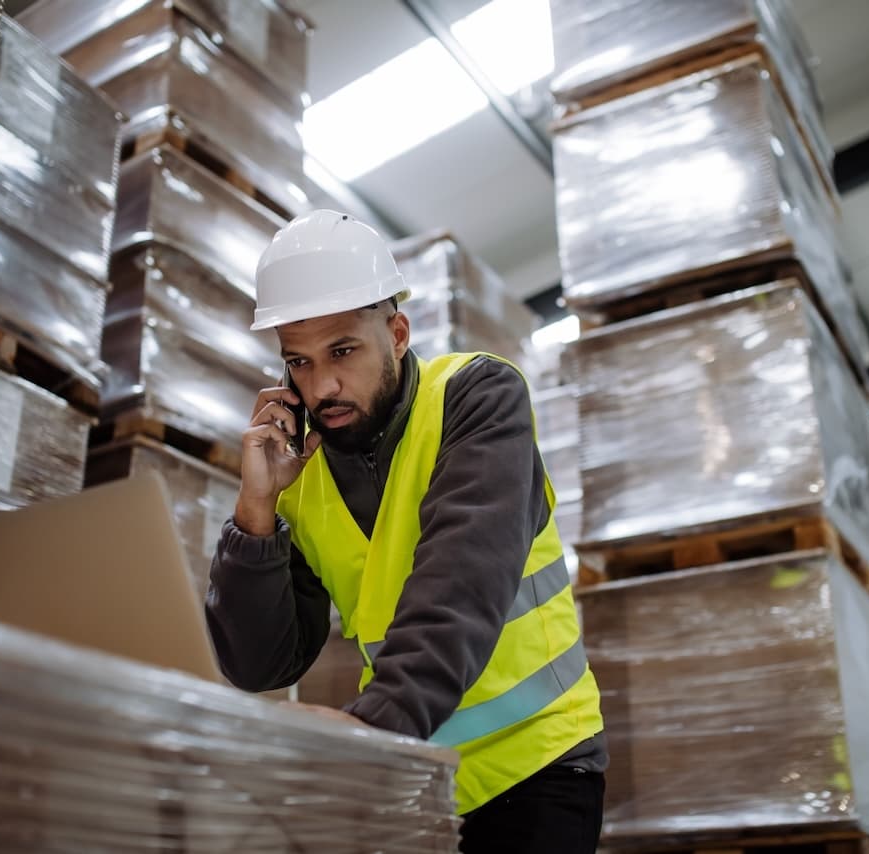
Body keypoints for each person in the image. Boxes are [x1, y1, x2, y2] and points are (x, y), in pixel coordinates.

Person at [205, 210, 607, 852]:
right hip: (416, 773)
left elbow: (463, 579)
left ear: (396, 333)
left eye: (342, 351)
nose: (323, 386)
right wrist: (255, 512)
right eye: (299, 363)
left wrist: (374, 731)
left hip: (536, 764)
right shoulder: (298, 477)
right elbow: (264, 664)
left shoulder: (477, 398)